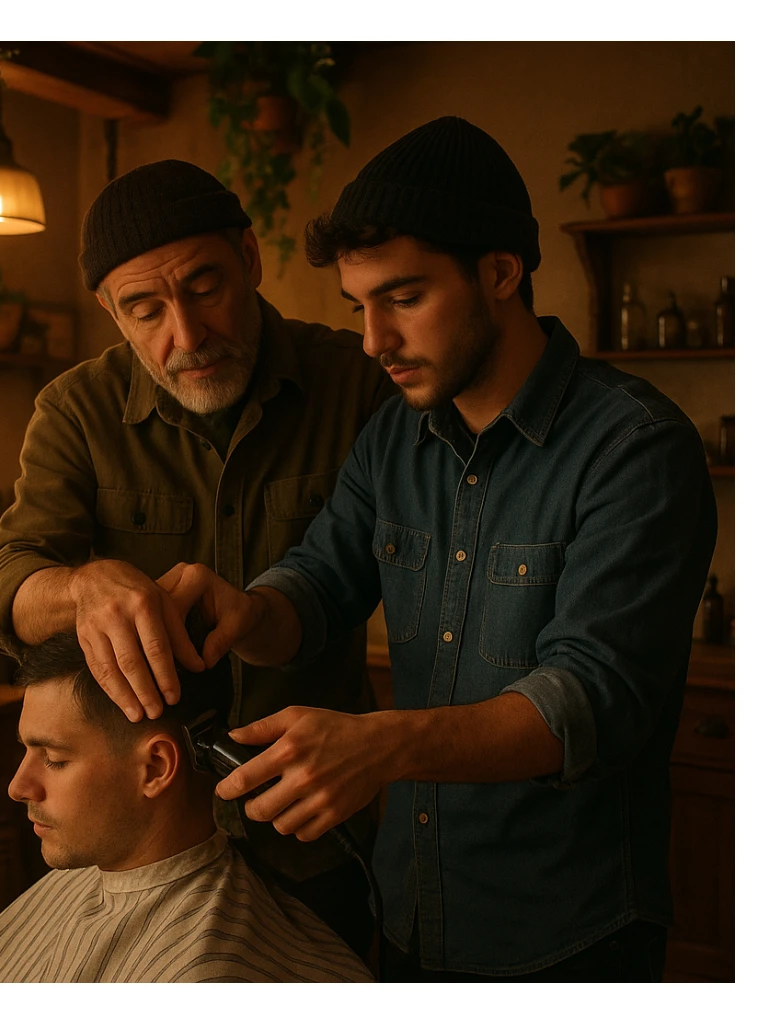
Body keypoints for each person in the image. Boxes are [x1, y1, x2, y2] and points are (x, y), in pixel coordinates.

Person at [152, 117, 719, 981]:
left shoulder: (635, 446)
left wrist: (381, 745)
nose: (374, 340)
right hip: (411, 914)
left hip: (569, 936)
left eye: (404, 297)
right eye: (359, 307)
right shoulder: (395, 439)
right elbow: (315, 587)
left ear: (501, 272)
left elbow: (591, 699)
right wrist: (245, 611)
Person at [0, 159, 397, 958]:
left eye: (204, 288)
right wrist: (80, 587)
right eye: (146, 309)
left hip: (315, 826)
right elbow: (6, 588)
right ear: (111, 311)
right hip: (150, 840)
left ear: (249, 258)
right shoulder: (78, 411)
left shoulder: (357, 384)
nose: (187, 334)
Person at [0, 631, 373, 983]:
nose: (17, 787)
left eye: (54, 759)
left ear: (156, 767)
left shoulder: (205, 976)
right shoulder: (90, 874)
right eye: (26, 751)